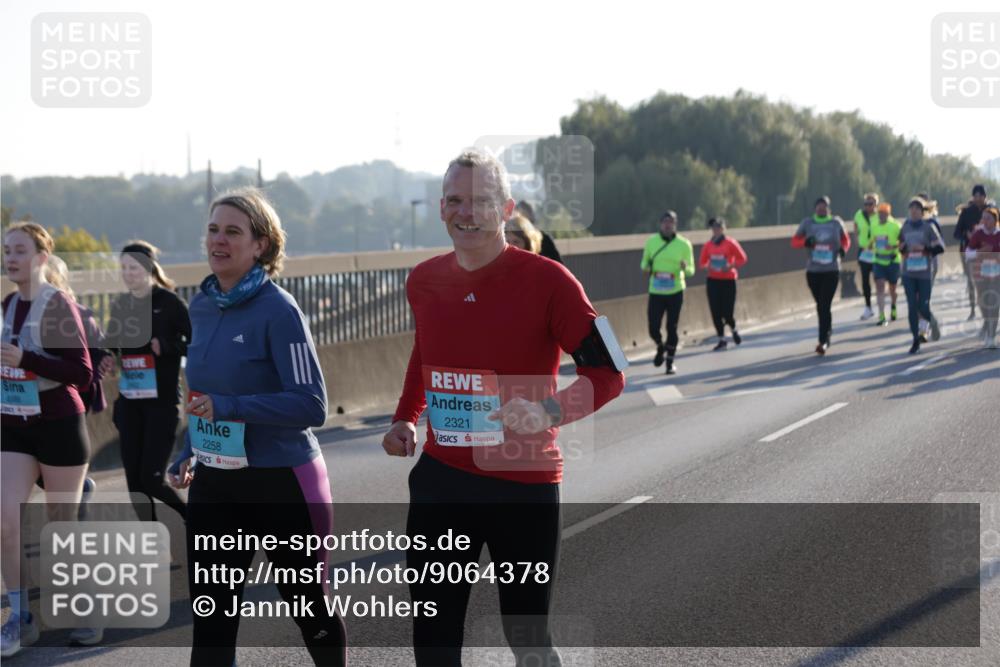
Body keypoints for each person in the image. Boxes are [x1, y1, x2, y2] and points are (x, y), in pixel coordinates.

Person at [381, 150, 624, 667]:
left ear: (507, 208)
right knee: (434, 636)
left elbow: (609, 373)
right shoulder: (423, 280)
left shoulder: (552, 282)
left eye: (481, 200)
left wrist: (549, 411)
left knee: (527, 637)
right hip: (442, 482)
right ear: (441, 208)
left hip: (522, 484)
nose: (466, 212)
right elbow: (426, 352)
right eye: (455, 200)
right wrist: (405, 416)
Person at [166, 188, 345, 667]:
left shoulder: (279, 310)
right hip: (216, 484)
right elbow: (202, 396)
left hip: (282, 481)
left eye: (233, 232)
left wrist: (229, 407)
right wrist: (188, 449)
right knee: (212, 623)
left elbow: (312, 404)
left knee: (310, 610)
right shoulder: (201, 307)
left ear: (260, 244)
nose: (218, 240)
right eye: (213, 230)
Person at [1, 223, 93, 657]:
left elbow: (82, 373)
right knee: (4, 521)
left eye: (19, 250)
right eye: (6, 250)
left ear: (41, 257)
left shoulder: (57, 305)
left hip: (59, 423)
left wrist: (28, 359)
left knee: (61, 527)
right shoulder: (6, 305)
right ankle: (20, 617)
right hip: (14, 425)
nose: (10, 258)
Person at [104, 240, 191, 523]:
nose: (128, 273)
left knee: (151, 480)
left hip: (162, 404)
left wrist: (167, 346)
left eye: (134, 267)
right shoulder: (122, 304)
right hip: (130, 404)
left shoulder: (170, 303)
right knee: (135, 485)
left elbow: (197, 344)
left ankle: (193, 520)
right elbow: (110, 343)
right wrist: (105, 357)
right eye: (124, 268)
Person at [791, 196, 851, 355]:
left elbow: (846, 240)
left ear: (829, 209)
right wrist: (805, 242)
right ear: (815, 208)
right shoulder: (807, 223)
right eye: (819, 207)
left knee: (824, 304)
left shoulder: (836, 223)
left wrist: (843, 249)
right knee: (821, 305)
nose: (821, 209)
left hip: (831, 270)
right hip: (813, 271)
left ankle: (823, 340)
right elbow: (794, 241)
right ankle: (827, 331)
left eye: (824, 207)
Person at [641, 210, 695, 373]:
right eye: (665, 222)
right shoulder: (651, 242)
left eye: (671, 222)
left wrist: (685, 268)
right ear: (660, 224)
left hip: (675, 291)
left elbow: (691, 271)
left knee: (672, 327)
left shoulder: (684, 244)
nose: (667, 225)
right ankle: (660, 346)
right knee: (653, 327)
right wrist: (646, 268)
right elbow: (644, 264)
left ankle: (670, 362)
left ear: (675, 224)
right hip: (656, 291)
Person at [900, 197, 946, 354]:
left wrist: (924, 249)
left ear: (922, 212)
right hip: (908, 272)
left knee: (923, 306)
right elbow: (900, 247)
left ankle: (933, 322)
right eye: (911, 209)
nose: (914, 211)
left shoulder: (929, 227)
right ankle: (915, 340)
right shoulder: (905, 227)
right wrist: (905, 249)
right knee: (912, 306)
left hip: (925, 272)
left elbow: (941, 248)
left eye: (917, 209)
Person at [698, 217, 748, 350]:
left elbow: (743, 258)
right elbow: (702, 263)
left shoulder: (730, 243)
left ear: (723, 228)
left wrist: (730, 266)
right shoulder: (708, 246)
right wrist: (707, 267)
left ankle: (734, 329)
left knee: (727, 312)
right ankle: (722, 339)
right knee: (715, 311)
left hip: (728, 280)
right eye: (714, 227)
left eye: (719, 227)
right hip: (713, 280)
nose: (716, 230)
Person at [965, 206, 1000, 348]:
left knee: (994, 303)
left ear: (995, 220)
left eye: (988, 218)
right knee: (983, 302)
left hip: (997, 274)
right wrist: (980, 252)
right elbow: (968, 253)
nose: (985, 221)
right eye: (983, 218)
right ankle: (986, 323)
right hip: (981, 273)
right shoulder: (978, 234)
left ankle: (991, 337)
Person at [955, 184, 989, 321]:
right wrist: (966, 235)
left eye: (981, 195)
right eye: (975, 196)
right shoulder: (966, 212)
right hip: (971, 252)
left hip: (989, 253)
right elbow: (957, 233)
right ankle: (973, 309)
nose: (978, 198)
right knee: (972, 282)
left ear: (985, 197)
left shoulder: (992, 211)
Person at [868, 203, 902, 327]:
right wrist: (870, 246)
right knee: (880, 286)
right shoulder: (874, 225)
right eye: (880, 213)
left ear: (888, 214)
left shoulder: (896, 226)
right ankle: (881, 315)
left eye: (884, 214)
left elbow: (903, 242)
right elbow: (871, 241)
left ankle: (893, 306)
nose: (881, 216)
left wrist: (892, 246)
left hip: (893, 260)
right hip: (878, 260)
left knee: (892, 289)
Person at [853, 193, 879, 320]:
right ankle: (868, 307)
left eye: (871, 204)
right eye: (866, 204)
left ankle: (881, 305)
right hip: (864, 252)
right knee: (865, 280)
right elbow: (855, 230)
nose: (868, 206)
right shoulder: (859, 215)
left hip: (877, 252)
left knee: (878, 280)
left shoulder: (880, 216)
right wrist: (859, 243)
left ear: (876, 204)